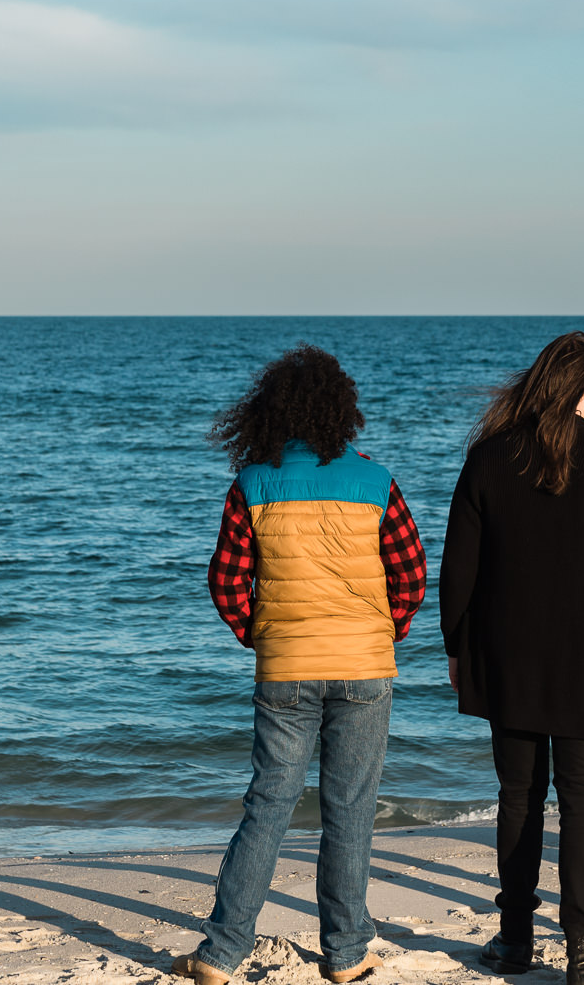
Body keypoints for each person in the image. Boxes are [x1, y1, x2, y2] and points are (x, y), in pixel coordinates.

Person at [172, 345, 427, 985]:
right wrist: (380, 633)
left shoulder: (253, 482)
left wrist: (264, 637)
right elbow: (413, 577)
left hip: (285, 667)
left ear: (270, 411)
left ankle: (222, 953)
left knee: (268, 806)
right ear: (343, 410)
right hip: (364, 666)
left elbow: (227, 583)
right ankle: (345, 954)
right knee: (350, 810)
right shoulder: (376, 481)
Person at [438, 331, 584, 985]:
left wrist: (457, 644)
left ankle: (514, 942)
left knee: (518, 797)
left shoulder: (488, 459)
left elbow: (458, 567)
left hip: (509, 658)